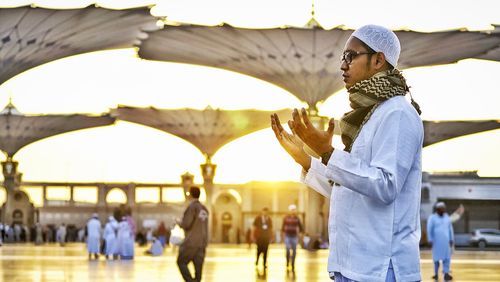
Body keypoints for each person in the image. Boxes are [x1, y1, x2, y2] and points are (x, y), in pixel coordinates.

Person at [271, 24, 423, 281]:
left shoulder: (397, 113)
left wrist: (329, 153)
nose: (343, 65)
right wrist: (306, 160)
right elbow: (350, 189)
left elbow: (386, 186)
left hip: (381, 269)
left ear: (378, 60)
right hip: (353, 267)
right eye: (343, 57)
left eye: (351, 56)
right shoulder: (366, 118)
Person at [176, 186, 209, 282]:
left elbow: (186, 224)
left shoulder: (192, 207)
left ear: (190, 194)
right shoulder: (204, 209)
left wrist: (178, 222)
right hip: (202, 242)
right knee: (198, 271)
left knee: (181, 262)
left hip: (191, 242)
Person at [427, 202, 454, 281]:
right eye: (442, 209)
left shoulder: (447, 217)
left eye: (444, 209)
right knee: (436, 259)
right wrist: (430, 239)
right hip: (436, 242)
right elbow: (429, 229)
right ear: (437, 209)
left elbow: (450, 229)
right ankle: (436, 274)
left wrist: (451, 239)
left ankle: (446, 274)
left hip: (446, 242)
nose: (443, 210)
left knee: (447, 258)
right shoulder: (432, 218)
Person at [281, 204, 303, 272]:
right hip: (287, 235)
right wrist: (282, 236)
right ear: (289, 210)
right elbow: (282, 227)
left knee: (294, 251)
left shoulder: (297, 218)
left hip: (294, 236)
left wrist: (300, 235)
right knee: (287, 249)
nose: (292, 211)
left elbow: (301, 227)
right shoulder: (286, 217)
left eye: (293, 210)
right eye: (291, 210)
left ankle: (293, 263)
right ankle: (287, 262)